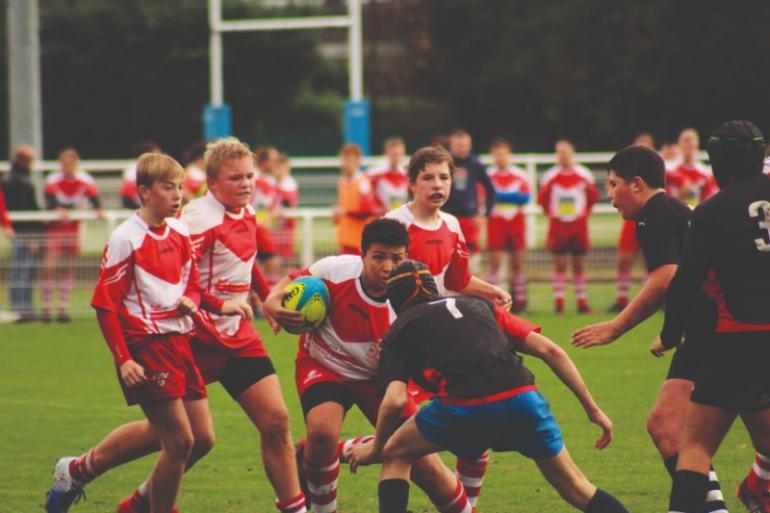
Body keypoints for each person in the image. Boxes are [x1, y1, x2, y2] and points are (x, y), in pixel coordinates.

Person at [44, 140, 307, 513]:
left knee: (276, 422)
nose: (247, 184)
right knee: (180, 437)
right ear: (213, 183)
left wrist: (266, 297)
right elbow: (166, 279)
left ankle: (291, 509)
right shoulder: (194, 222)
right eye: (237, 178)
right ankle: (83, 471)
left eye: (250, 176)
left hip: (236, 335)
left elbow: (246, 262)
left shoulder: (245, 210)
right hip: (190, 336)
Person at [348, 260, 629, 513]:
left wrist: (377, 448)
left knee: (397, 453)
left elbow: (395, 400)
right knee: (577, 487)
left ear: (394, 302)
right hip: (524, 400)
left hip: (465, 408)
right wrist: (593, 410)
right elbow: (551, 351)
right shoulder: (479, 305)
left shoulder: (400, 330)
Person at [46, 153, 229, 513]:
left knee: (201, 438)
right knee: (178, 441)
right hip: (145, 346)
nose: (177, 195)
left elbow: (191, 283)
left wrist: (206, 304)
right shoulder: (125, 239)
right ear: (144, 192)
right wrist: (124, 358)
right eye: (167, 187)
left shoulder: (178, 230)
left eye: (180, 187)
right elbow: (105, 305)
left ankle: (78, 470)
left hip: (179, 341)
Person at [263, 218, 472, 513]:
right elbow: (292, 281)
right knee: (322, 431)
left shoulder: (411, 300)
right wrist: (272, 301)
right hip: (326, 364)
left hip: (382, 379)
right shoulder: (335, 270)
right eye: (378, 257)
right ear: (361, 256)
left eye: (396, 258)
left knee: (427, 467)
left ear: (406, 258)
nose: (387, 266)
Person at [570, 145, 728, 513]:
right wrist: (672, 333)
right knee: (667, 427)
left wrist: (615, 327)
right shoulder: (674, 210)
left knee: (673, 429)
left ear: (637, 184)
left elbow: (666, 277)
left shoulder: (653, 215)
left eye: (612, 186)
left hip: (714, 333)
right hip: (710, 330)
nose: (609, 198)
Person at [385, 145, 511, 509]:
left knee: (474, 430)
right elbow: (376, 284)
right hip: (406, 344)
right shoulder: (396, 225)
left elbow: (458, 279)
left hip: (443, 343)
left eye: (444, 177)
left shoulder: (452, 224)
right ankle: (330, 452)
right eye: (428, 177)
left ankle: (468, 505)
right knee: (402, 442)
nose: (437, 184)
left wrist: (492, 291)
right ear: (412, 183)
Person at [657, 121, 770, 513]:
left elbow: (686, 282)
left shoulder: (711, 211)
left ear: (715, 162)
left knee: (695, 446)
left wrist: (671, 333)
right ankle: (758, 488)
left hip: (733, 339)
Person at [40, 147, 105, 323]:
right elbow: (50, 199)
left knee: (68, 267)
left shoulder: (84, 179)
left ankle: (62, 308)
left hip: (72, 228)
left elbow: (94, 198)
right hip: (56, 228)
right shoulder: (53, 179)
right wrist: (58, 209)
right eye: (64, 163)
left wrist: (98, 209)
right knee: (48, 267)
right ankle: (46, 308)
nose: (66, 167)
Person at [538, 139, 599, 314]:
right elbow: (542, 200)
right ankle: (559, 303)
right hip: (558, 225)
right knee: (560, 264)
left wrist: (583, 213)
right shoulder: (550, 175)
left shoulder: (584, 174)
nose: (562, 156)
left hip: (578, 224)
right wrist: (553, 215)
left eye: (565, 152)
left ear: (572, 153)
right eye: (559, 152)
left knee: (579, 263)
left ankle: (582, 302)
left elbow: (593, 197)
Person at [609, 133, 655, 312]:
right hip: (632, 219)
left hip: (652, 217)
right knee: (624, 259)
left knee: (651, 260)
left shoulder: (661, 171)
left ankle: (651, 301)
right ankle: (621, 299)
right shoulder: (624, 172)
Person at [485, 139, 530, 312]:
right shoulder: (488, 175)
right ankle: (490, 301)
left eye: (502, 154)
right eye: (496, 155)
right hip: (496, 224)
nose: (500, 158)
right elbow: (484, 196)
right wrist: (510, 195)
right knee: (494, 264)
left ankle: (520, 301)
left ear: (509, 155)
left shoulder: (519, 175)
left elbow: (525, 198)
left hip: (515, 224)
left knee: (517, 264)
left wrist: (499, 196)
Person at [3, 145, 45, 322]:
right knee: (23, 272)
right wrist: (32, 237)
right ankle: (22, 310)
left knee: (21, 271)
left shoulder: (11, 179)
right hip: (25, 233)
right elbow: (25, 209)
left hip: (22, 232)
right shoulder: (18, 181)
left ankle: (21, 308)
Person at [441, 129, 496, 258]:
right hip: (446, 217)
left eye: (466, 145)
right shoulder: (443, 163)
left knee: (470, 257)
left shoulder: (475, 164)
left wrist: (484, 215)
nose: (463, 149)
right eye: (459, 146)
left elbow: (491, 191)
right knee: (447, 255)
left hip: (469, 218)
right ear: (451, 145)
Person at [334, 143, 378, 255]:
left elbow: (368, 211)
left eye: (349, 160)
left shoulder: (363, 183)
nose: (345, 164)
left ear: (358, 162)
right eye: (343, 160)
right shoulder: (342, 182)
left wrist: (345, 212)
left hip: (358, 242)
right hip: (345, 240)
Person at [666, 128, 716, 207]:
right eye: (685, 145)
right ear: (679, 145)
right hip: (673, 212)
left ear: (696, 146)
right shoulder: (669, 169)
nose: (688, 150)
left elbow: (708, 199)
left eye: (691, 146)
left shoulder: (705, 172)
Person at [367, 137, 409, 212]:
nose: (397, 157)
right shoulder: (374, 173)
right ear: (387, 153)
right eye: (394, 154)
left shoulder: (407, 175)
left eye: (399, 154)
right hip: (381, 218)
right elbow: (366, 196)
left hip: (400, 216)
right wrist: (376, 208)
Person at [272, 153, 299, 263]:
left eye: (280, 167)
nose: (277, 170)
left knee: (284, 260)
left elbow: (287, 205)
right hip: (275, 226)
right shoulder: (274, 182)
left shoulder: (289, 184)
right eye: (276, 167)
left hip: (285, 227)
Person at [121, 142, 161, 209]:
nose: (160, 157)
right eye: (157, 155)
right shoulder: (133, 168)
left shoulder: (156, 168)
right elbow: (128, 195)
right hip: (134, 202)